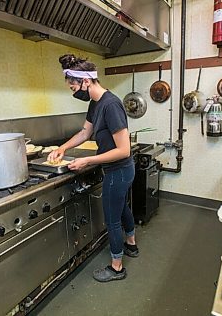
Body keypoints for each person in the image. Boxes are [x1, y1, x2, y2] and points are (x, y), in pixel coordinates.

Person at [48, 54, 139, 282]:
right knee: (122, 208)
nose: (73, 92)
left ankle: (117, 267)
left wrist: (87, 160)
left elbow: (124, 150)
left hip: (118, 171)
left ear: (86, 81)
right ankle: (132, 245)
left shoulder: (111, 105)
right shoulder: (95, 103)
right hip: (118, 171)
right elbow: (85, 133)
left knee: (112, 219)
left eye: (73, 87)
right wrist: (62, 148)